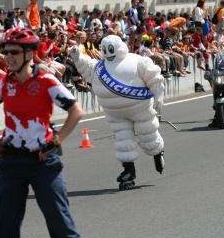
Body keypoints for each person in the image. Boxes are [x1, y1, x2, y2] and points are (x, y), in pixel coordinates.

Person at [0, 27, 90, 238]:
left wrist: (58, 140)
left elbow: (75, 112)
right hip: (11, 161)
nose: (7, 57)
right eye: (5, 51)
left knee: (59, 220)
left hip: (43, 161)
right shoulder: (3, 83)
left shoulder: (46, 81)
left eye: (14, 52)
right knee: (3, 225)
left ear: (29, 54)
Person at [71, 35, 165, 190]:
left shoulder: (136, 60)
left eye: (111, 48)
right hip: (116, 114)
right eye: (105, 49)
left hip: (140, 108)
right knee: (123, 142)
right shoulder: (100, 66)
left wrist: (158, 95)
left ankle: (157, 153)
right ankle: (129, 171)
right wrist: (77, 57)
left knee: (148, 134)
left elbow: (154, 76)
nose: (109, 52)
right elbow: (87, 68)